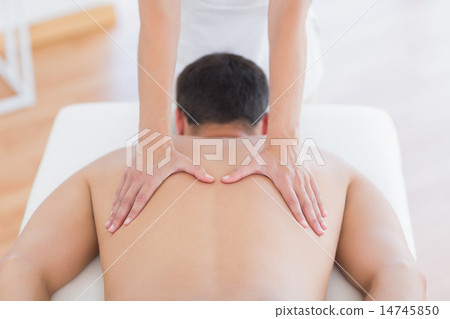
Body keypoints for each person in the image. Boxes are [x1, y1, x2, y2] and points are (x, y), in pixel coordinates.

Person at [0, 54, 425, 301]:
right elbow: (400, 274)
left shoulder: (115, 169)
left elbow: (21, 267)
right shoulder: (330, 170)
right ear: (267, 124)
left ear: (178, 123)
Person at [107, 0, 328, 236]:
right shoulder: (331, 171)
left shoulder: (104, 170)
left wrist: (284, 140)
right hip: (186, 50)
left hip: (284, 60)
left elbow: (288, 11)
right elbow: (158, 11)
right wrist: (154, 142)